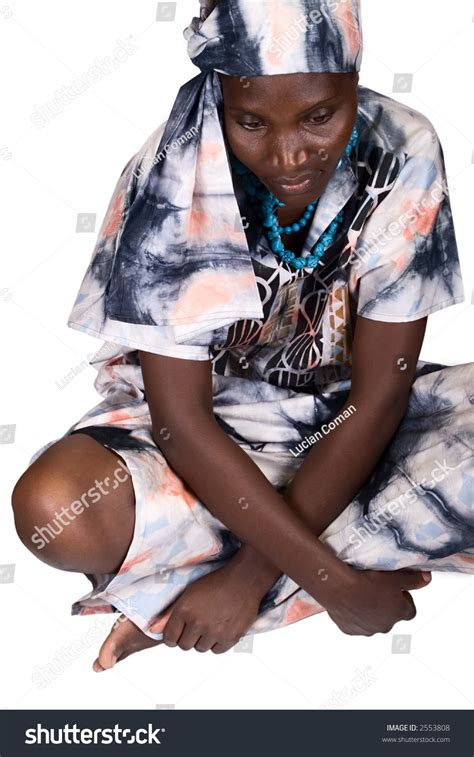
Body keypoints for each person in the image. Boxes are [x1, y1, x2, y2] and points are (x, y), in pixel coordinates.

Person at [11, 0, 474, 672]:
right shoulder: (171, 171)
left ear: (354, 80)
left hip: (353, 421)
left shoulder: (403, 148)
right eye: (252, 121)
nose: (289, 153)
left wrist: (249, 580)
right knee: (54, 508)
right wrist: (339, 587)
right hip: (200, 437)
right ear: (220, 93)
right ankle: (295, 565)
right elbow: (181, 423)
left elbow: (378, 400)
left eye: (320, 115)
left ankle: (174, 604)